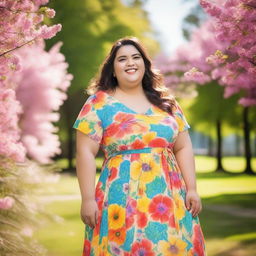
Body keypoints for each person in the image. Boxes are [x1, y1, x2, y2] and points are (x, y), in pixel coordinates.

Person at [73, 37, 206, 256]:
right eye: (122, 59)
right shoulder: (98, 103)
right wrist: (87, 199)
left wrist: (192, 188)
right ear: (113, 70)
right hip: (119, 198)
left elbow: (183, 146)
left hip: (170, 198)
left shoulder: (167, 102)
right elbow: (85, 152)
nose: (130, 63)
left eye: (136, 57)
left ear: (145, 64)